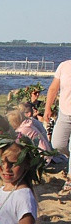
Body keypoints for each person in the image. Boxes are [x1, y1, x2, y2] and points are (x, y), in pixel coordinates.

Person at [43, 59, 71, 187]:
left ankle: (69, 180)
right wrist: (47, 108)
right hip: (64, 112)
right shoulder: (64, 66)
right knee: (57, 144)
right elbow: (53, 88)